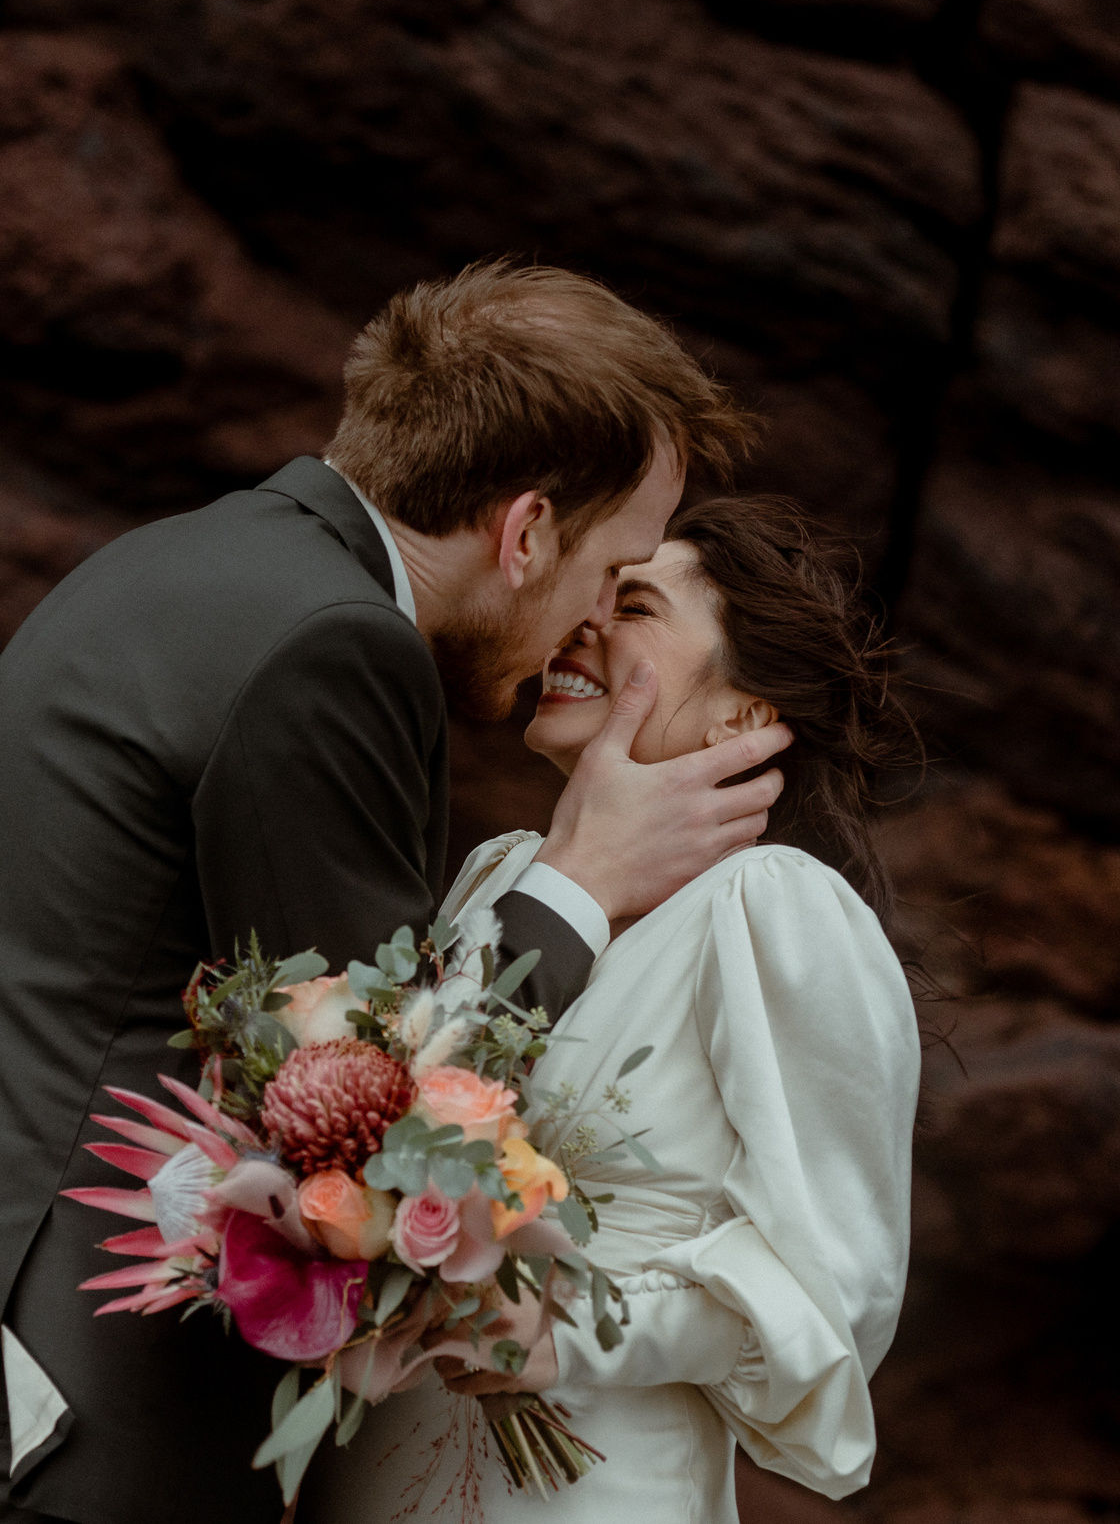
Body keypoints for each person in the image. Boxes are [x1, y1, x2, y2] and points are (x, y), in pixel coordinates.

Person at [0, 263, 779, 1524]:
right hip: (80, 1444)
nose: (592, 621)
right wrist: (581, 880)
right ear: (526, 531)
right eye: (609, 570)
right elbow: (365, 1092)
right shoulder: (332, 643)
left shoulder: (181, 568)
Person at [313, 494, 922, 1523]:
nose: (581, 620)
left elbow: (838, 1287)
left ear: (742, 715)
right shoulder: (501, 879)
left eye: (633, 602)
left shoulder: (769, 904)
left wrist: (567, 1332)